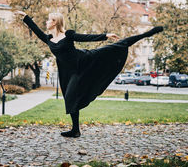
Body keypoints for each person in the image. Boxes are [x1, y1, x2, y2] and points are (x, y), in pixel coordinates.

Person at [16, 10, 163, 138]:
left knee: (118, 45)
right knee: (70, 97)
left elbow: (86, 37)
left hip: (85, 61)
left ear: (55, 23)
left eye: (49, 20)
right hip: (69, 72)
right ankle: (75, 130)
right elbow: (36, 30)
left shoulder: (68, 35)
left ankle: (149, 33)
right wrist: (26, 17)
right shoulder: (49, 39)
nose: (46, 22)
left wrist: (106, 35)